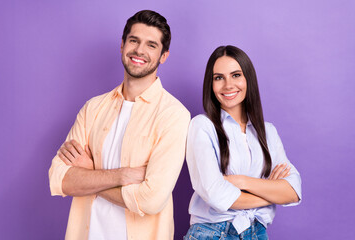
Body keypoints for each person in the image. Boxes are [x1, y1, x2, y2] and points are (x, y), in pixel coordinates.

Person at [48, 10, 190, 240]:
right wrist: (124, 175)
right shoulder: (93, 108)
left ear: (164, 56)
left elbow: (150, 200)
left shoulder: (174, 115)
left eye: (151, 45)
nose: (139, 50)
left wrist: (90, 175)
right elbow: (59, 178)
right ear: (122, 44)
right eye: (134, 40)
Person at [184, 45, 302, 239]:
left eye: (236, 75)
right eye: (219, 78)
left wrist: (241, 182)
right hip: (213, 233)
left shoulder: (268, 132)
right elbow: (216, 195)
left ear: (248, 79)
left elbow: (293, 191)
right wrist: (270, 194)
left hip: (257, 233)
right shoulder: (202, 126)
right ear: (211, 84)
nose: (228, 85)